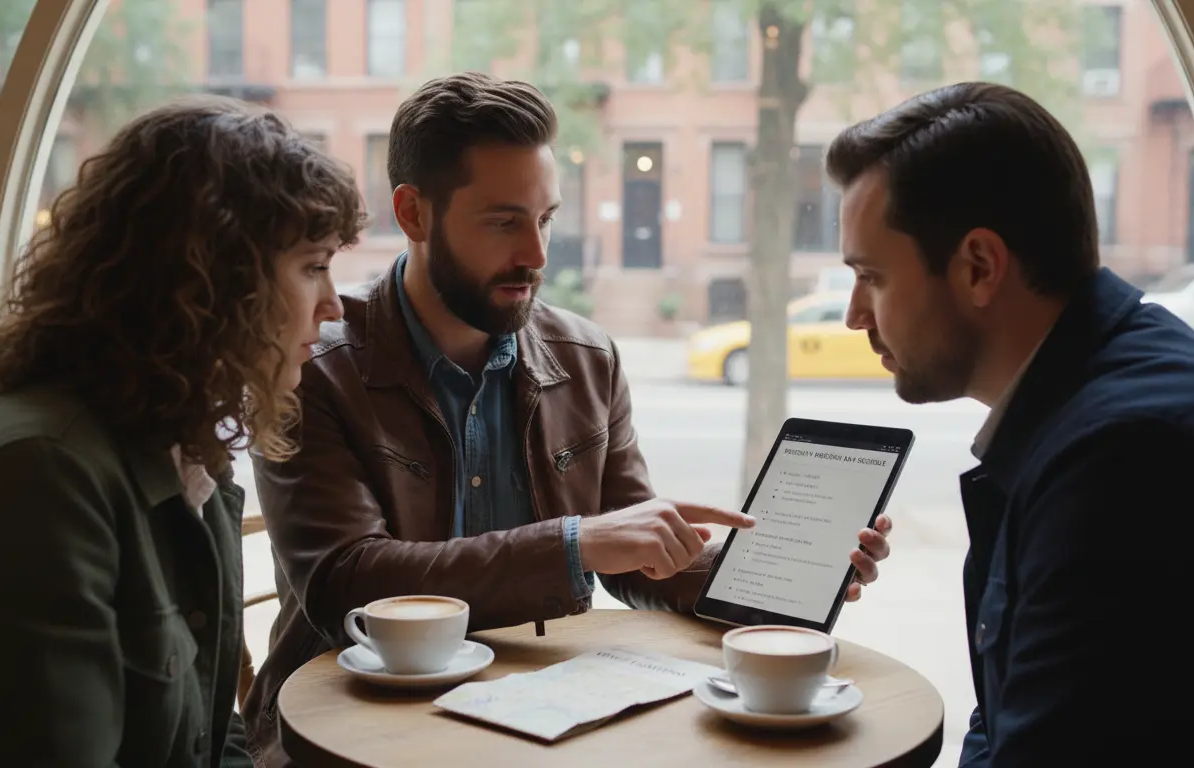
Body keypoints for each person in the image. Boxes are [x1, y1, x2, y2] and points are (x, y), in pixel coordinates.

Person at [241, 71, 894, 765]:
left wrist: (771, 576)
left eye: (545, 218)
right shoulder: (311, 364)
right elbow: (348, 583)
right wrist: (576, 544)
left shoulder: (585, 358)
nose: (537, 254)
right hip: (347, 735)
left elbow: (640, 554)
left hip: (540, 719)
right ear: (414, 214)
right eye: (503, 222)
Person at [827, 81, 1194, 766]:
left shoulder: (1127, 462)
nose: (855, 315)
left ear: (978, 267)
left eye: (873, 278)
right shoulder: (1097, 401)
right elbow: (1008, 719)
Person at [0, 95, 363, 766]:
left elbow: (212, 730)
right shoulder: (40, 477)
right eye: (314, 266)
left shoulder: (191, 457)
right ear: (215, 281)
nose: (335, 306)